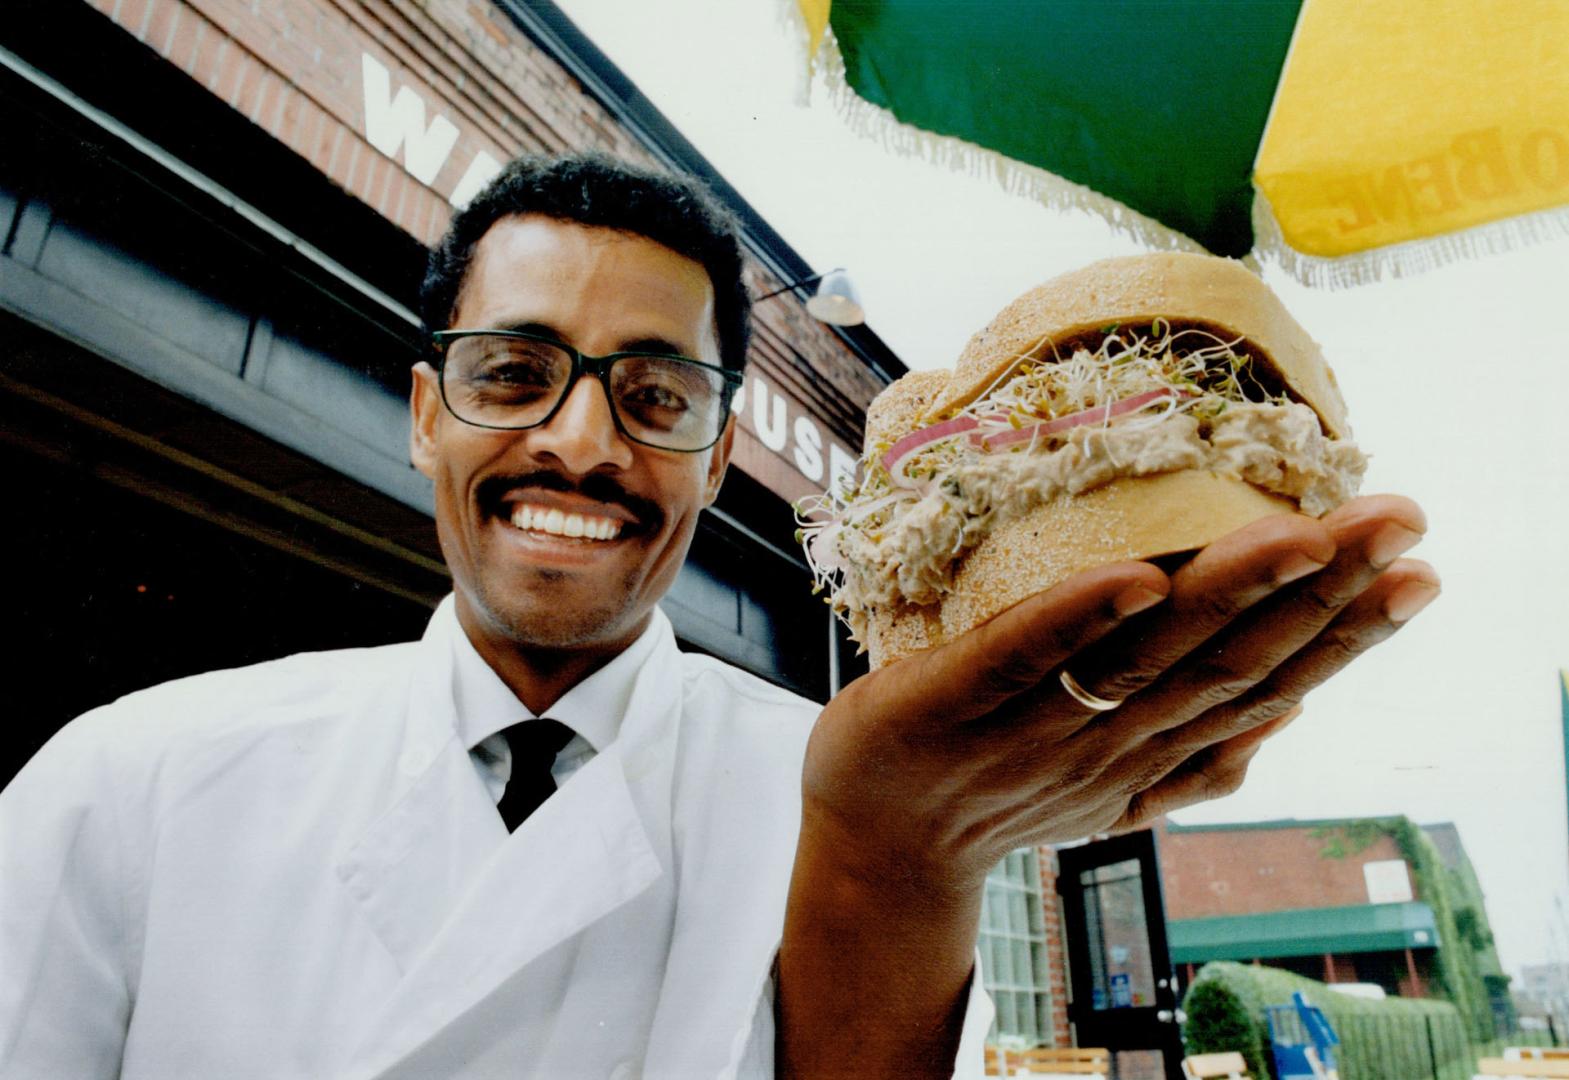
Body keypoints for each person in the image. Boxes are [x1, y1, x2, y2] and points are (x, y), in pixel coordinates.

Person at [0, 152, 1438, 1079]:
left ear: (715, 443)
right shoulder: (130, 780)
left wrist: (899, 862)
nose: (579, 441)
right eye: (513, 373)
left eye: (655, 394)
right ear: (426, 412)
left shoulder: (846, 785)